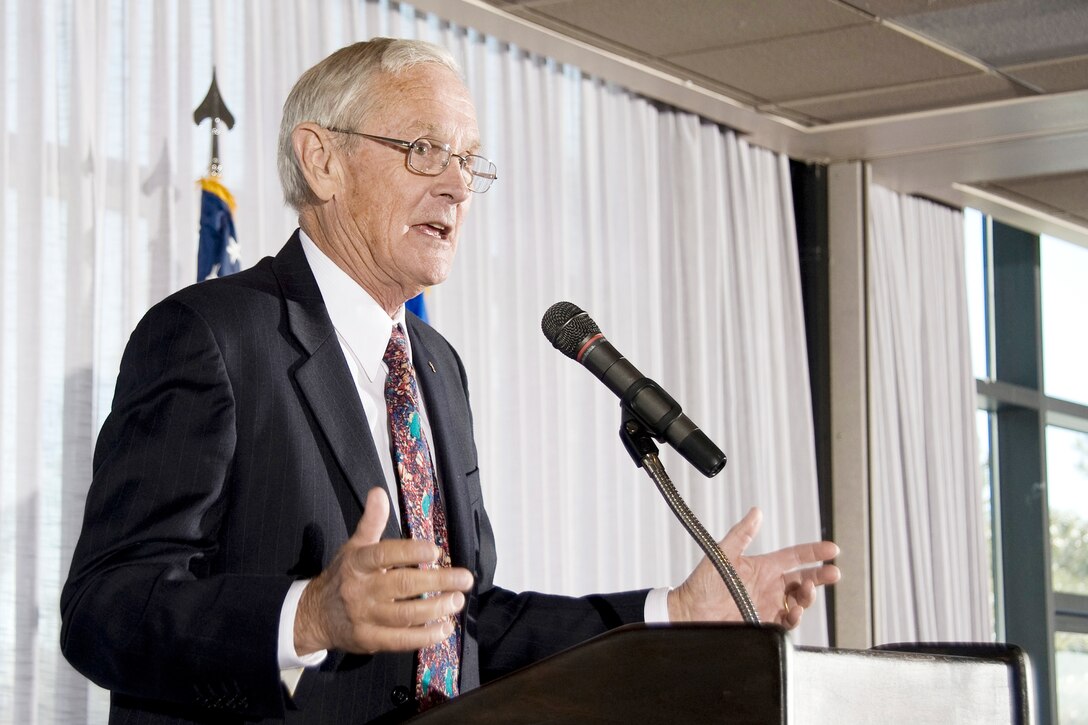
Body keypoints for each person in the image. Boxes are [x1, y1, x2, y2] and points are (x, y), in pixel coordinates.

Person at [60, 37, 840, 724]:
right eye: (425, 150)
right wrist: (308, 617)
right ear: (321, 159)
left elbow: (463, 624)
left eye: (468, 161)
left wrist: (671, 612)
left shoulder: (435, 366)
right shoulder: (212, 336)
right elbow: (105, 609)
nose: (458, 187)